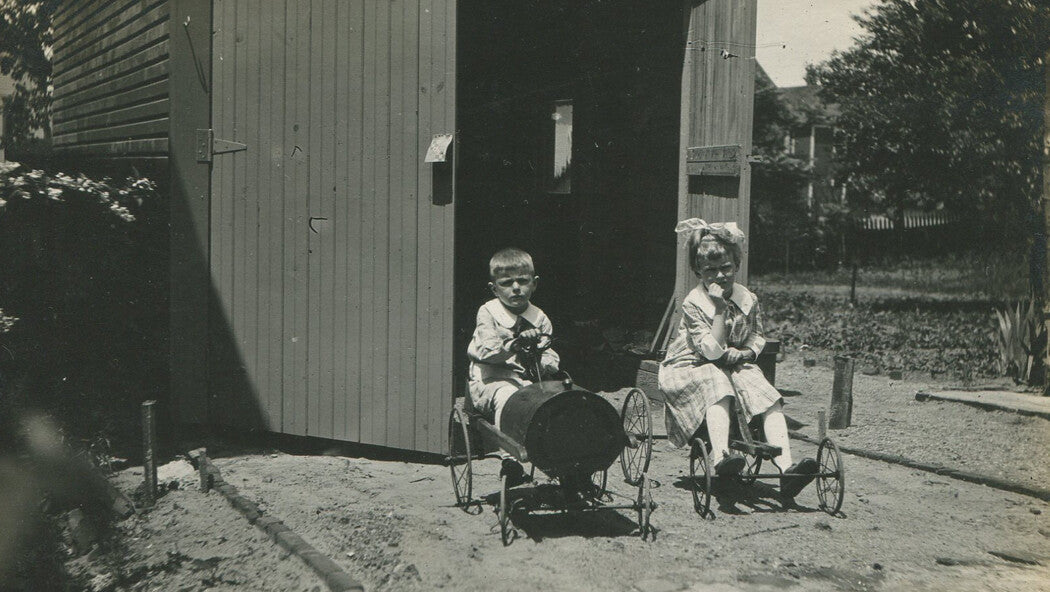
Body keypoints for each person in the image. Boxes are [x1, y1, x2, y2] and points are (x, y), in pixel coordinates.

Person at [658, 219, 817, 499]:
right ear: (698, 272)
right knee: (717, 385)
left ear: (737, 265)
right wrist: (719, 310)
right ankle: (721, 457)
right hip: (693, 364)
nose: (720, 276)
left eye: (726, 268)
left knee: (767, 394)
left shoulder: (748, 299)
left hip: (733, 362)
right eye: (710, 270)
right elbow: (709, 350)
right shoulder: (694, 303)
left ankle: (786, 469)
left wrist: (745, 353)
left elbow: (757, 336)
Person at [467, 248, 560, 484]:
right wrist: (516, 344)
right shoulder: (489, 312)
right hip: (490, 377)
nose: (516, 288)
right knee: (508, 397)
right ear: (494, 288)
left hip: (527, 379)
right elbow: (488, 350)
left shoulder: (539, 318)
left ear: (534, 284)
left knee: (556, 400)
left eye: (523, 281)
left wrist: (540, 356)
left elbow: (549, 354)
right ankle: (510, 460)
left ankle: (564, 462)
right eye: (507, 283)